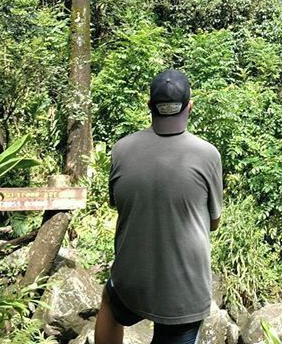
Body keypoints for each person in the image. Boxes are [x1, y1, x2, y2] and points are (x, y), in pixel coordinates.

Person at [95, 68, 223, 344]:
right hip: (183, 295)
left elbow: (121, 206)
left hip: (130, 283)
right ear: (190, 106)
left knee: (110, 300)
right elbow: (214, 222)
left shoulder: (121, 149)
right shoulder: (207, 154)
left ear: (149, 106)